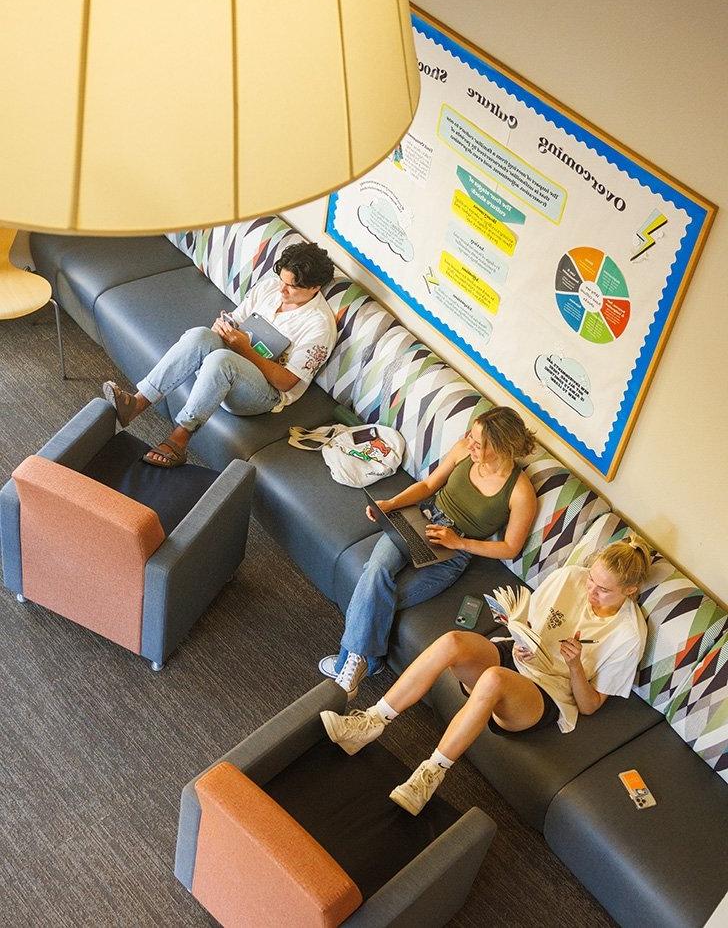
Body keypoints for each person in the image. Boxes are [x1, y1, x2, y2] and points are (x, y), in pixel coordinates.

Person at [320, 535, 651, 815]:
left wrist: (576, 665)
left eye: (603, 590)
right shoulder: (571, 578)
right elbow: (531, 624)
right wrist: (520, 638)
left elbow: (590, 705)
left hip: (544, 695)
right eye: (591, 579)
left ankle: (429, 775)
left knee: (493, 678)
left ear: (630, 591)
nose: (590, 590)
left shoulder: (628, 634)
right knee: (452, 642)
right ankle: (368, 724)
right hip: (518, 656)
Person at [318, 406, 538, 698]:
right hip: (419, 520)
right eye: (470, 436)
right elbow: (429, 485)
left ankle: (354, 663)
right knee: (375, 572)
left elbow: (511, 547)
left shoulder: (520, 493)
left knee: (386, 595)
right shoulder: (463, 451)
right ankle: (363, 663)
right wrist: (391, 504)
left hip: (453, 552)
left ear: (499, 446)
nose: (468, 442)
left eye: (477, 441)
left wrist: (459, 543)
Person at [102, 242, 336, 467]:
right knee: (200, 335)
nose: (282, 290)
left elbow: (285, 383)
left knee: (221, 360)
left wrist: (245, 349)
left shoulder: (319, 325)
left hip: (265, 393)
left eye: (292, 287)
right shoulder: (269, 288)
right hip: (232, 360)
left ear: (315, 287)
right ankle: (137, 403)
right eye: (281, 281)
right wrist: (224, 327)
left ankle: (179, 440)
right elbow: (238, 319)